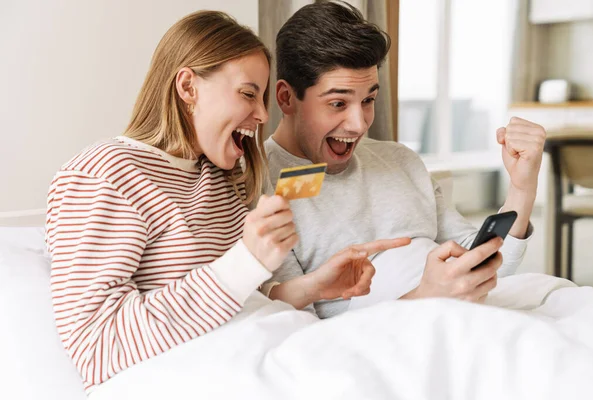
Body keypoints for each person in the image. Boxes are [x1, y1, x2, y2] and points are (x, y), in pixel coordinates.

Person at [45, 10, 408, 394]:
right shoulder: (106, 174)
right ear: (188, 87)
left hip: (281, 348)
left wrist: (314, 287)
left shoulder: (219, 176)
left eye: (263, 97)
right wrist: (245, 261)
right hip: (211, 372)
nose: (264, 114)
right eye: (249, 94)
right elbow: (98, 347)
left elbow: (241, 301)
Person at [262, 1, 544, 319]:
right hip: (395, 345)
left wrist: (522, 188)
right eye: (338, 103)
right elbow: (294, 327)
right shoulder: (261, 187)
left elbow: (484, 266)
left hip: (470, 319)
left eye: (368, 99)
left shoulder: (400, 160)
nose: (359, 124)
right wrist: (423, 299)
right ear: (286, 97)